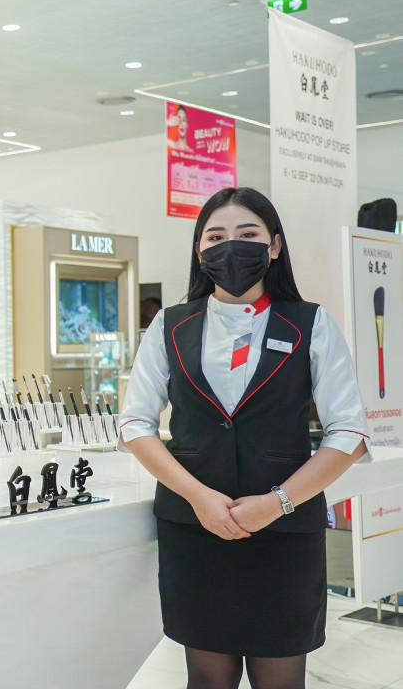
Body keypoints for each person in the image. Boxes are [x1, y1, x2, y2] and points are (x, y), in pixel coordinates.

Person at [119, 187, 370, 689]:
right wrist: (199, 497)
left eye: (247, 233)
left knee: (281, 680)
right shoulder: (170, 325)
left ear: (273, 245)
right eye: (215, 236)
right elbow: (134, 424)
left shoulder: (310, 322)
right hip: (195, 529)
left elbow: (349, 432)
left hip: (284, 530)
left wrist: (277, 503)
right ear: (199, 250)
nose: (230, 245)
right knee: (207, 679)